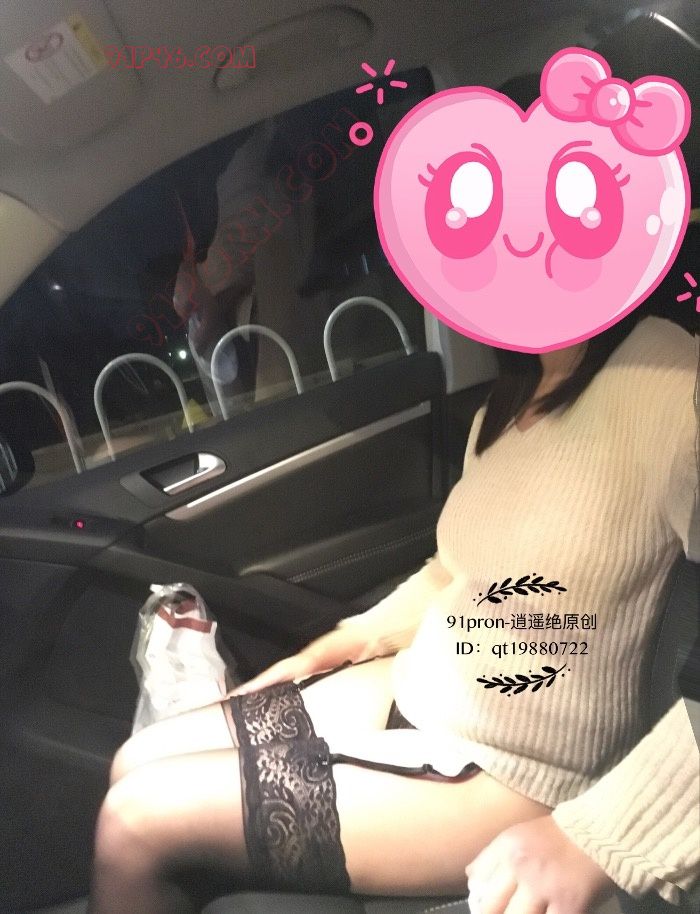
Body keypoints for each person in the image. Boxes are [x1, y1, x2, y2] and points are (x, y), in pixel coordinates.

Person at [86, 307, 699, 914]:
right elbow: (453, 571)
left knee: (133, 824)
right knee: (136, 759)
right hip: (418, 686)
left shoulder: (676, 379)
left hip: (516, 770)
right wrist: (341, 644)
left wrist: (597, 842)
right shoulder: (509, 400)